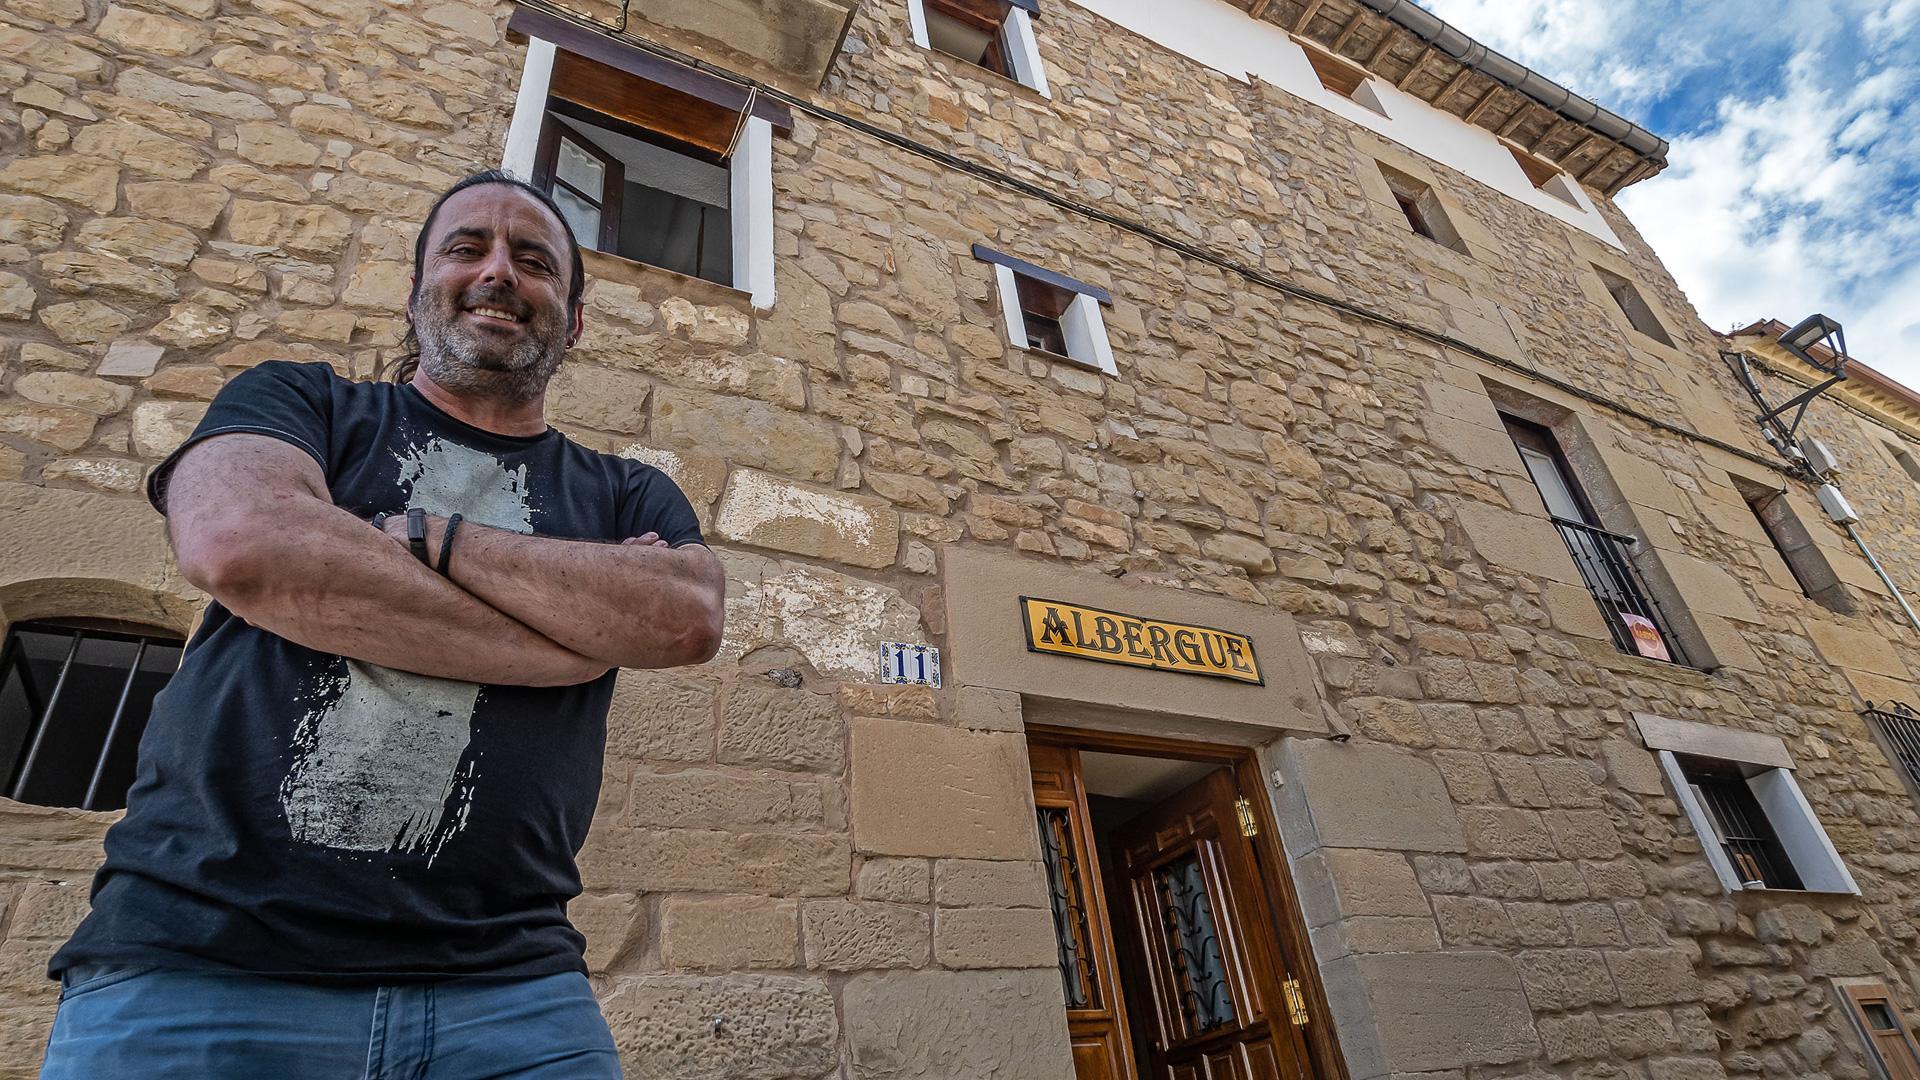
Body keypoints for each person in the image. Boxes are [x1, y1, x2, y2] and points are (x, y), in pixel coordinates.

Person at [39, 170, 726, 1079]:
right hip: (200, 968)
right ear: (415, 294)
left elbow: (684, 618)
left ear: (576, 318)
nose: (499, 274)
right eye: (466, 248)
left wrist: (429, 538)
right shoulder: (305, 403)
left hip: (515, 992)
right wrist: (563, 643)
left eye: (534, 261)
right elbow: (241, 541)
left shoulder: (627, 489)